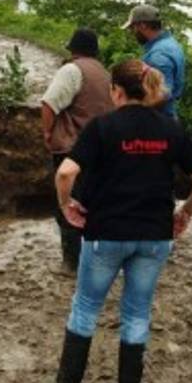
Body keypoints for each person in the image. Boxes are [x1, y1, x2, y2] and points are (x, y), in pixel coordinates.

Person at [53, 59, 192, 383]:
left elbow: (65, 172)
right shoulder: (171, 128)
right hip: (154, 235)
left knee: (85, 310)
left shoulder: (101, 127)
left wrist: (66, 205)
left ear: (116, 91)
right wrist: (184, 214)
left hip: (106, 232)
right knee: (137, 314)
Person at [41, 27, 115, 276]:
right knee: (94, 204)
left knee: (66, 204)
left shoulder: (72, 70)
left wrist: (47, 133)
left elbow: (49, 103)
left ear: (73, 49)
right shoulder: (105, 74)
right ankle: (94, 260)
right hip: (102, 150)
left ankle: (71, 264)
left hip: (73, 149)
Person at [123, 4, 186, 118]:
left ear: (142, 26)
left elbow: (161, 93)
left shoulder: (158, 56)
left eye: (133, 28)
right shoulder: (170, 43)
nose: (132, 33)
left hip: (158, 121)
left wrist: (131, 112)